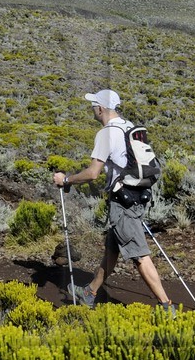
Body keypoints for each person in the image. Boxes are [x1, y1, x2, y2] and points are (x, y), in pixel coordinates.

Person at [52, 89, 174, 312]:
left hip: (123, 201)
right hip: (139, 195)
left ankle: (166, 307)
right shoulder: (130, 127)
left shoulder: (106, 134)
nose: (92, 110)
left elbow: (92, 173)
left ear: (100, 108)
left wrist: (66, 179)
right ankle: (89, 293)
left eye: (93, 106)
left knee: (139, 256)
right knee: (113, 248)